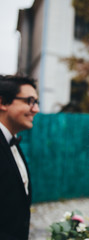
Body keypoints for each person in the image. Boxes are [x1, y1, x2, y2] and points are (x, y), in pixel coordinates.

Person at [0, 75, 40, 240]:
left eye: (36, 102)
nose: (36, 109)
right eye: (29, 101)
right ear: (2, 103)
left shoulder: (13, 143)